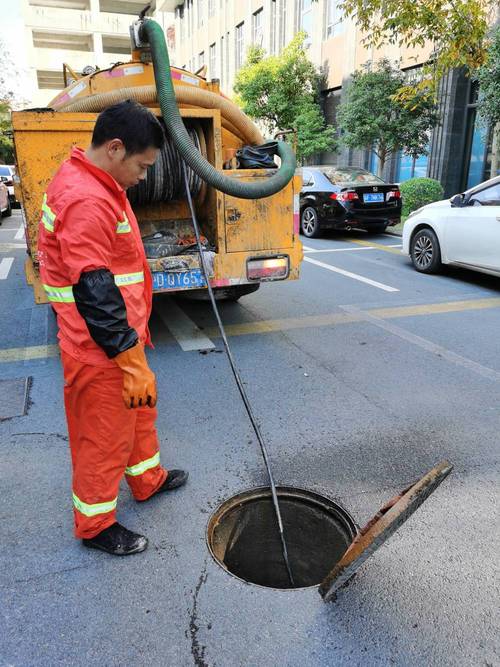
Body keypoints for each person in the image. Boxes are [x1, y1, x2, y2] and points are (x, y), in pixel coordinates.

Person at [38, 100, 188, 556]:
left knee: (139, 413)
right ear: (116, 148)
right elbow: (95, 292)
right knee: (103, 438)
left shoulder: (99, 181)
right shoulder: (85, 198)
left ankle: (147, 478)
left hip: (120, 340)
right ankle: (96, 524)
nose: (144, 177)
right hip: (99, 349)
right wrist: (129, 360)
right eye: (142, 167)